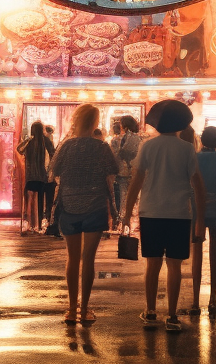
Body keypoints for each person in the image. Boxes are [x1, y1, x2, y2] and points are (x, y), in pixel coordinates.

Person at [122, 100, 205, 332]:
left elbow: (136, 180)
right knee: (175, 266)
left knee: (152, 264)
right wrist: (200, 219)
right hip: (180, 214)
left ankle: (150, 312)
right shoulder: (187, 148)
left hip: (152, 212)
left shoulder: (148, 147)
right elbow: (198, 185)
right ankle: (171, 316)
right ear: (180, 124)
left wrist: (127, 213)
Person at [48, 103, 118, 324]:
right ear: (95, 123)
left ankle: (70, 309)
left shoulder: (66, 146)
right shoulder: (102, 147)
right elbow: (114, 171)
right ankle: (85, 309)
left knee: (72, 258)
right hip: (95, 206)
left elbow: (53, 172)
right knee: (88, 259)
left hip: (69, 206)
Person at [188, 126, 216, 316]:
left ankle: (195, 302)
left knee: (196, 256)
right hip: (215, 209)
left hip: (196, 209)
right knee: (214, 256)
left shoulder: (195, 157)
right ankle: (213, 300)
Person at [17, 121, 54, 233]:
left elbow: (19, 149)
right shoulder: (45, 141)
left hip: (30, 174)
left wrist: (27, 140)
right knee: (40, 200)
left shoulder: (30, 142)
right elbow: (53, 153)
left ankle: (30, 223)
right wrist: (50, 169)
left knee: (29, 200)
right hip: (41, 174)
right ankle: (39, 225)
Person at [112, 115, 141, 223]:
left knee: (123, 197)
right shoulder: (140, 138)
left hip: (122, 172)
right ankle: (133, 219)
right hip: (135, 171)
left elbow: (115, 155)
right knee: (135, 196)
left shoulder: (117, 139)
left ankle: (124, 219)